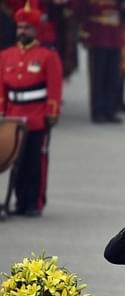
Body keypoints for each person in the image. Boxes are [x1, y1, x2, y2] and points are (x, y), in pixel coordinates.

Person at [0, 0, 62, 217]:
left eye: (27, 27)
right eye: (20, 27)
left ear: (36, 30)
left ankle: (34, 202)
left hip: (36, 117)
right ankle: (18, 201)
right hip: (14, 118)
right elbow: (2, 88)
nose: (22, 31)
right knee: (17, 162)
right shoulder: (6, 56)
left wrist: (52, 113)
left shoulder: (47, 56)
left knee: (35, 162)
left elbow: (54, 87)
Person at [76, 0, 123, 124]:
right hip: (98, 34)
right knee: (98, 76)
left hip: (114, 35)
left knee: (113, 76)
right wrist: (85, 35)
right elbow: (81, 11)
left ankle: (110, 110)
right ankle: (97, 111)